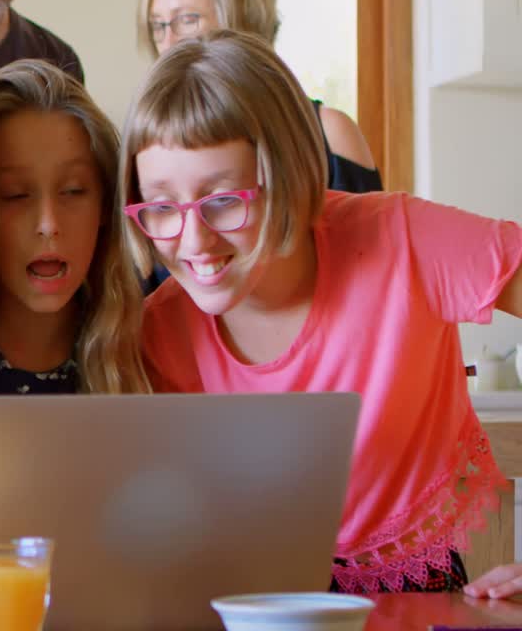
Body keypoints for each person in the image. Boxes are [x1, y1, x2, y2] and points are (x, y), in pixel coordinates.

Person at [119, 29, 522, 594]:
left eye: (224, 201)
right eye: (161, 208)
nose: (194, 242)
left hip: (414, 599)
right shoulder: (157, 332)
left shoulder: (400, 240)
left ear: (286, 176)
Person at [0, 59, 152, 603]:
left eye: (74, 190)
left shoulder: (146, 346)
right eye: (16, 196)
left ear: (105, 207)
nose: (49, 222)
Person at [138, 0, 381, 194]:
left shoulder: (330, 135)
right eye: (157, 26)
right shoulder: (152, 142)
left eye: (186, 20)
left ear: (242, 20)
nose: (168, 42)